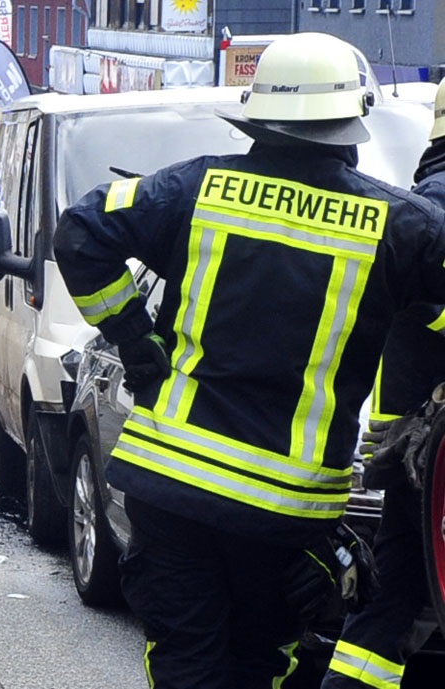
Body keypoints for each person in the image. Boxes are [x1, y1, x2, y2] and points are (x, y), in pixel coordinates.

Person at [53, 32, 445, 688]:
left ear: (259, 119)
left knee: (187, 664)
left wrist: (133, 338)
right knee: (260, 664)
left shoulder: (193, 189)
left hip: (171, 489)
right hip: (283, 512)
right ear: (352, 122)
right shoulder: (400, 224)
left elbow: (80, 232)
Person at [319, 80, 445, 689]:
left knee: (399, 593)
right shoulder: (439, 203)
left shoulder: (426, 196)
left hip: (413, 441)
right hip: (430, 445)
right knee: (403, 592)